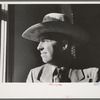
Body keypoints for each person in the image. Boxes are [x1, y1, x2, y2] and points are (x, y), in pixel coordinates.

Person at [22, 13, 100, 83]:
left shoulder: (92, 75)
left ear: (64, 45)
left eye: (45, 41)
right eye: (39, 41)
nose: (39, 47)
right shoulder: (34, 76)